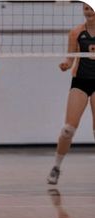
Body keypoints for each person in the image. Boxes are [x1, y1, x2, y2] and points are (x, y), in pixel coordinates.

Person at [47, 3, 95, 185]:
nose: (89, 12)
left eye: (91, 9)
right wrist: (66, 64)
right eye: (86, 9)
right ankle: (56, 167)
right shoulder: (75, 32)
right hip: (81, 81)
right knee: (68, 129)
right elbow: (70, 56)